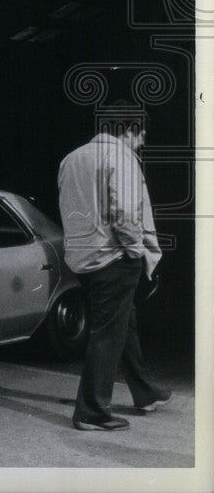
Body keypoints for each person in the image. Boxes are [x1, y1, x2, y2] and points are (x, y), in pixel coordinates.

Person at [57, 102, 170, 431]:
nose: (143, 140)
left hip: (83, 260)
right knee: (107, 334)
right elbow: (124, 215)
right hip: (114, 258)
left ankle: (146, 392)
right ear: (126, 130)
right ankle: (91, 411)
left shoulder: (71, 158)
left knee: (122, 323)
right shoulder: (120, 157)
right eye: (141, 133)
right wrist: (137, 253)